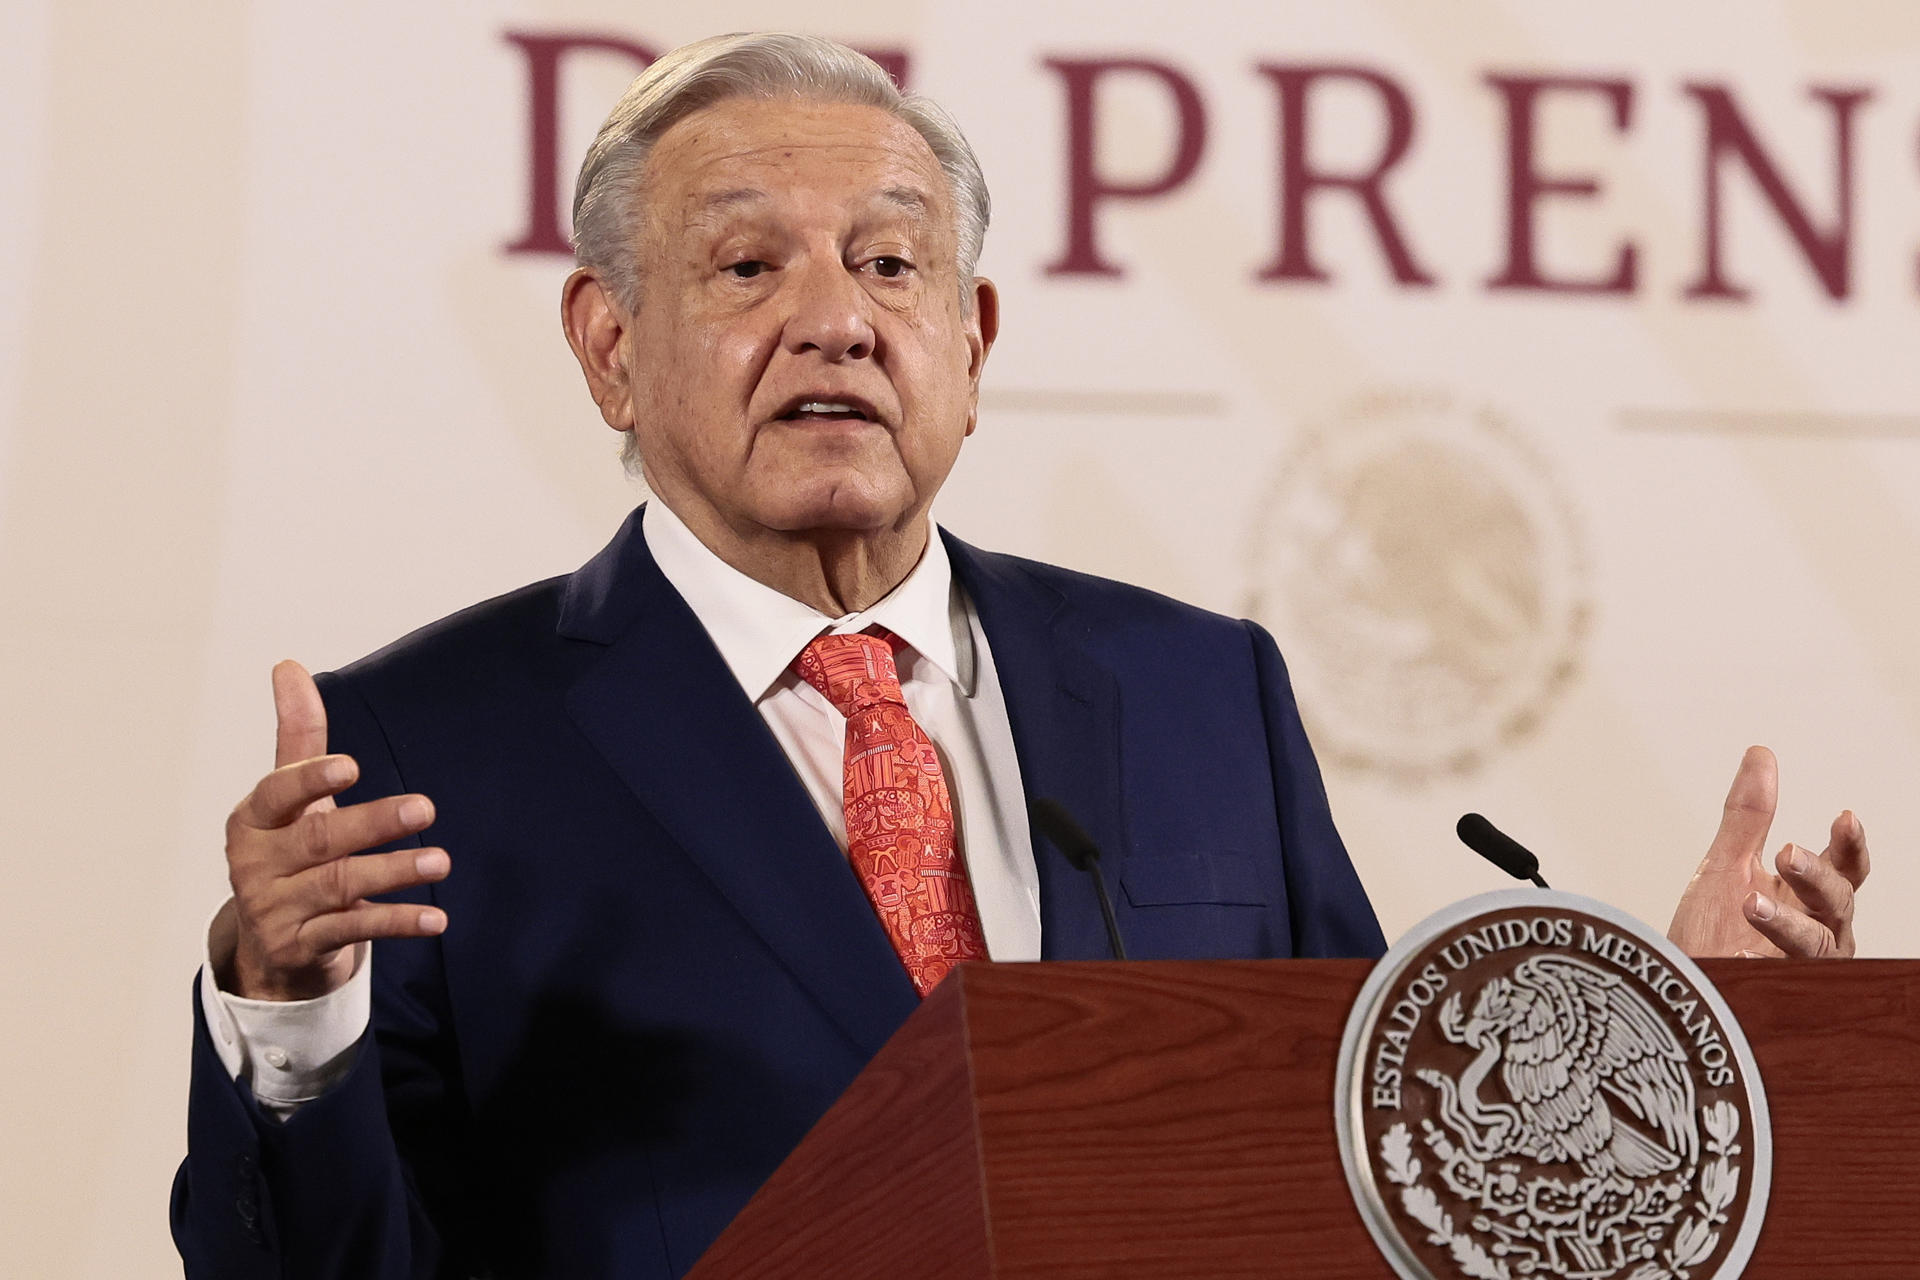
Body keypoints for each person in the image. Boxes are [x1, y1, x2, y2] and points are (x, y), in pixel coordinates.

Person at [170, 32, 1869, 1280]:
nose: (837, 317)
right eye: (750, 263)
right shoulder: (430, 752)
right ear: (612, 347)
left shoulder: (1204, 692)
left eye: (893, 263)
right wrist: (290, 1025)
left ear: (971, 344)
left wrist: (1673, 1028)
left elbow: (1377, 1167)